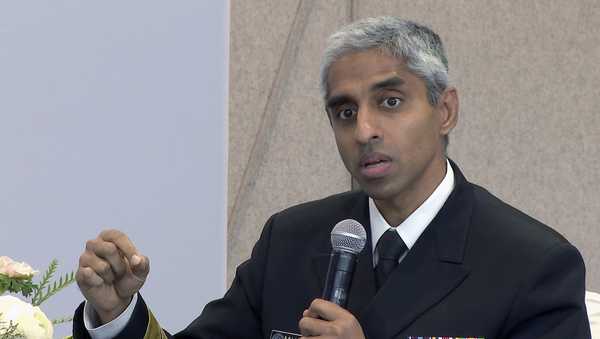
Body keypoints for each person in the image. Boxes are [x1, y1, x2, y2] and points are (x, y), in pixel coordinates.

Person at [72, 17, 591, 339]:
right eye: (344, 112)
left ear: (445, 110)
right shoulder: (292, 240)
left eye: (390, 102)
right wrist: (117, 315)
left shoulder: (532, 264)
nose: (364, 129)